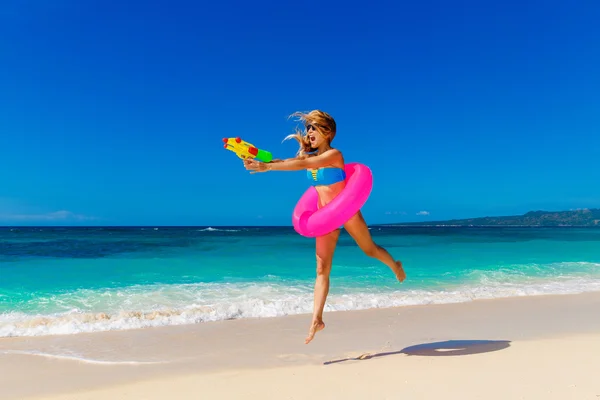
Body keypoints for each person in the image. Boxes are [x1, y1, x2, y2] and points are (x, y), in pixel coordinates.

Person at [243, 110, 406, 344]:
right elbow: (294, 161)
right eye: (308, 128)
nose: (309, 132)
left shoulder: (334, 155)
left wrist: (267, 168)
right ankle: (317, 319)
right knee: (321, 270)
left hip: (346, 212)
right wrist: (263, 162)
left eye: (313, 128)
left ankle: (395, 264)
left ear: (327, 132)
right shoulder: (310, 158)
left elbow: (306, 163)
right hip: (324, 217)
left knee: (369, 249)